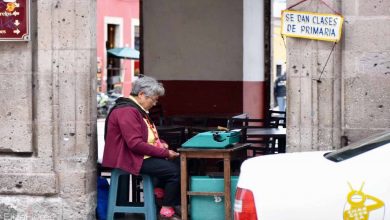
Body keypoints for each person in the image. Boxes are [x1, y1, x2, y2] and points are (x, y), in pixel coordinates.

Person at [102, 75, 181, 220]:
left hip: (137, 155)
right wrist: (164, 152)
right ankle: (166, 208)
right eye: (154, 99)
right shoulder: (127, 111)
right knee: (175, 171)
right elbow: (135, 144)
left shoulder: (136, 109)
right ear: (142, 95)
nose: (155, 103)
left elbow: (145, 135)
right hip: (128, 158)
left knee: (176, 163)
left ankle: (158, 192)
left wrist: (160, 143)